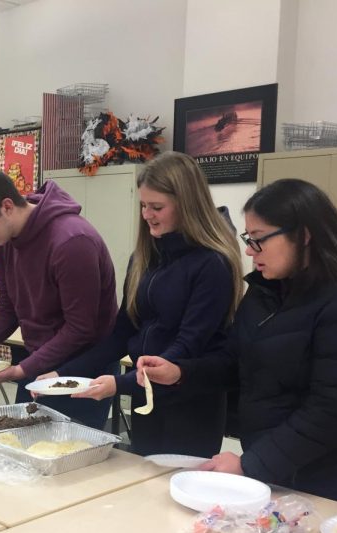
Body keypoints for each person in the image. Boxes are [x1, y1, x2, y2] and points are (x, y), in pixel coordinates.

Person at [139, 178, 337, 505]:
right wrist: (181, 373)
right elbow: (236, 360)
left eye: (258, 239)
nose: (248, 250)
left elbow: (333, 412)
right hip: (277, 471)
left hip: (336, 480)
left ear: (303, 235)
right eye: (248, 238)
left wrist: (250, 465)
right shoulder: (267, 290)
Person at [35, 152, 243, 453]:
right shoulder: (144, 258)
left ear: (187, 205)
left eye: (157, 207)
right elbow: (122, 332)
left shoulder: (212, 265)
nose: (147, 215)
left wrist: (120, 384)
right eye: (143, 205)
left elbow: (187, 346)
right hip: (147, 396)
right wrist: (64, 374)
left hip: (191, 404)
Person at [0, 167, 118, 429]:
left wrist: (21, 369)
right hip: (39, 361)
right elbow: (7, 312)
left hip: (82, 368)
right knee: (20, 445)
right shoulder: (4, 244)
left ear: (6, 206)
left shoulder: (72, 241)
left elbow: (80, 328)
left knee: (69, 459)